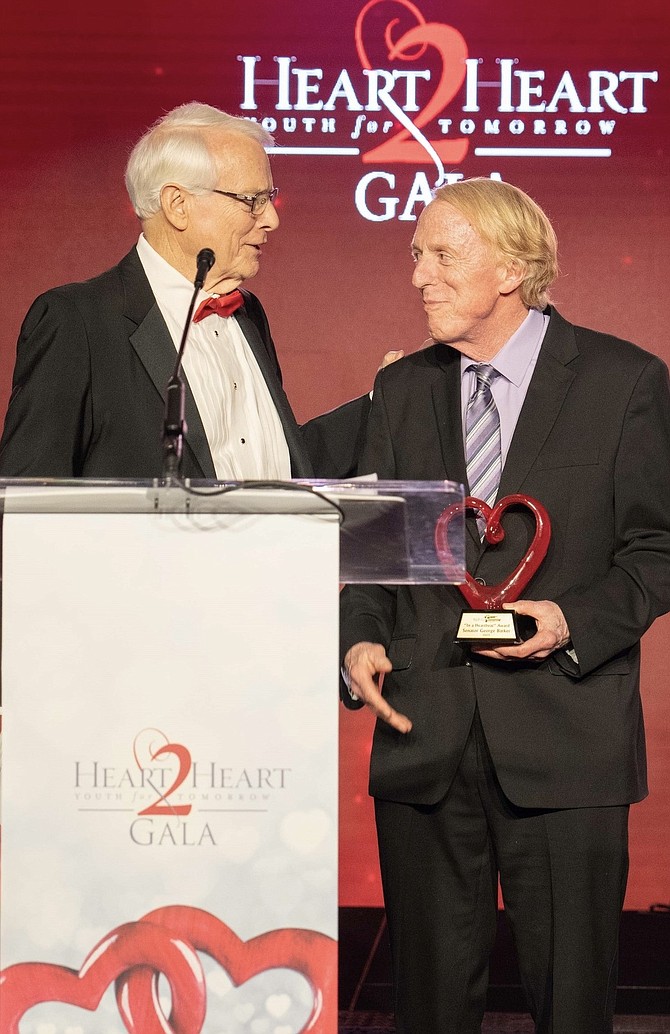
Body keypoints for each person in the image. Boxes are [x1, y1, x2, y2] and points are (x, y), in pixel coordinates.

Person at [340, 178, 670, 1034]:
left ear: (515, 269)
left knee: (572, 1008)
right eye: (415, 252)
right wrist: (359, 642)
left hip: (567, 745)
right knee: (430, 1009)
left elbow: (658, 551)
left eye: (443, 254)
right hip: (426, 736)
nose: (418, 274)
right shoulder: (403, 388)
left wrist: (566, 623)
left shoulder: (623, 381)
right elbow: (378, 561)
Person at [0, 102, 371, 480]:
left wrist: (384, 402)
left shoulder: (248, 313)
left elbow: (274, 466)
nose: (271, 219)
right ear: (178, 205)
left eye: (269, 198)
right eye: (252, 201)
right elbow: (28, 493)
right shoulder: (77, 322)